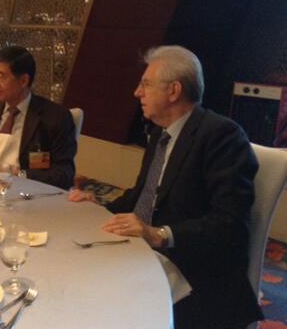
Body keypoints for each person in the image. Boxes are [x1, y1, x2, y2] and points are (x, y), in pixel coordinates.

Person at [69, 45, 262, 329]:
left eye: (146, 84)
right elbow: (142, 197)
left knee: (94, 302)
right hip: (143, 256)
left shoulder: (223, 136)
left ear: (173, 91)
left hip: (193, 272)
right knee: (74, 273)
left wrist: (158, 234)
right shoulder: (161, 132)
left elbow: (230, 225)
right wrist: (99, 207)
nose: (137, 92)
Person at [0, 45, 76, 189]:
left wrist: (15, 173)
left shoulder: (55, 117)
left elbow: (64, 174)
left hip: (24, 192)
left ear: (23, 81)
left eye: (1, 76)